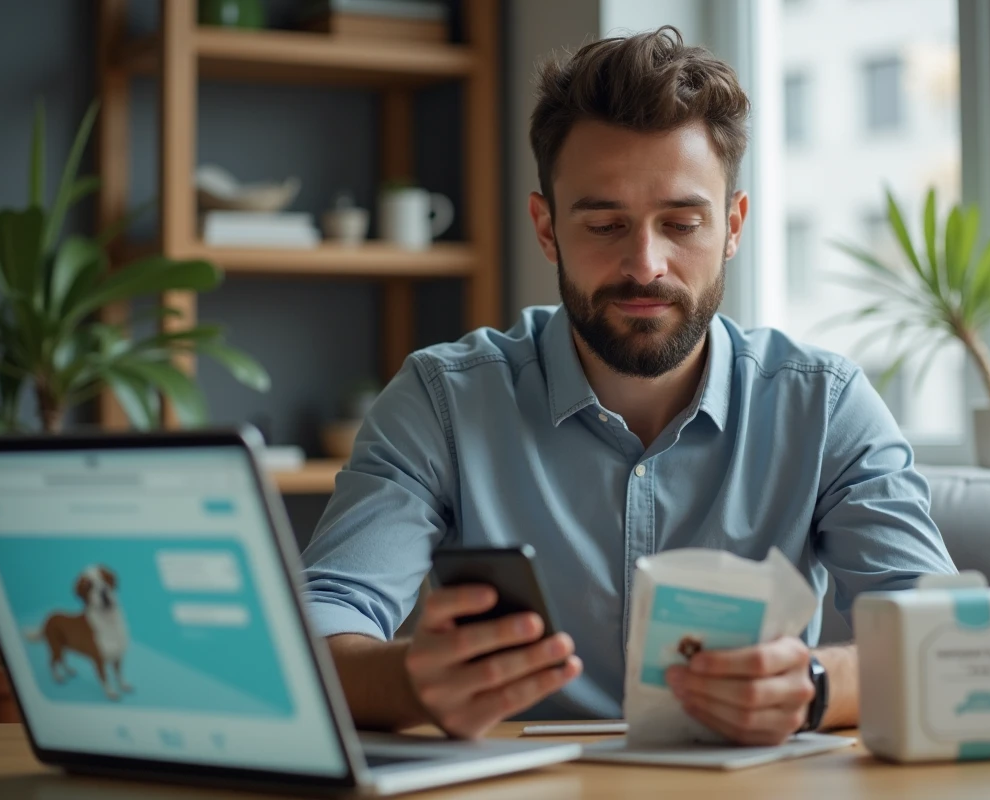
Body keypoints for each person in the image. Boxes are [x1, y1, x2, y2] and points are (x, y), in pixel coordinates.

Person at [302, 26, 956, 744]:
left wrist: (813, 688)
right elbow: (321, 620)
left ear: (733, 226)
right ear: (547, 229)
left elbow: (941, 637)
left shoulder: (824, 405)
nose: (646, 265)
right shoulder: (442, 400)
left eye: (681, 223)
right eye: (606, 224)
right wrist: (409, 683)